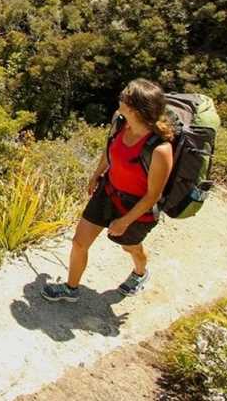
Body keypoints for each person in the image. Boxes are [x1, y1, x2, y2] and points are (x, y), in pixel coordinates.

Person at [42, 78, 175, 301]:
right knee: (79, 241)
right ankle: (70, 289)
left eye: (125, 96)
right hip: (108, 191)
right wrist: (96, 175)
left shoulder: (160, 149)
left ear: (135, 108)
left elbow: (153, 195)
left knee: (130, 248)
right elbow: (109, 150)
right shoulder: (120, 122)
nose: (120, 98)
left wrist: (124, 221)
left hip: (135, 208)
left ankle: (140, 272)